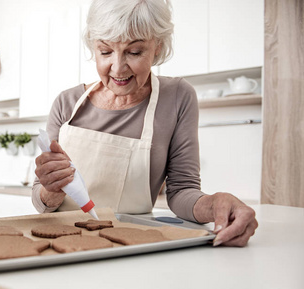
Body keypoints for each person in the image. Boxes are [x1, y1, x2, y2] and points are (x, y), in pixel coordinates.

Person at [32, 0, 258, 247]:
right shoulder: (68, 103)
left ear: (157, 48)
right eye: (105, 51)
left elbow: (182, 191)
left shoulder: (177, 97)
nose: (118, 68)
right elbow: (39, 198)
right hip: (64, 243)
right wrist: (50, 191)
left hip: (130, 246)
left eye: (134, 52)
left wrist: (216, 204)